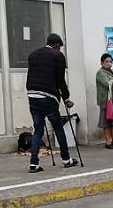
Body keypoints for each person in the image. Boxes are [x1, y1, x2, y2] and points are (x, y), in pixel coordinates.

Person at [26, 33, 78, 172]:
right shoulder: (57, 56)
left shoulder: (33, 54)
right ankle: (66, 159)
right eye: (59, 46)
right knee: (58, 127)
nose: (59, 49)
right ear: (56, 44)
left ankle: (34, 163)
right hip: (48, 97)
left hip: (32, 95)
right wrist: (66, 98)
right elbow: (60, 80)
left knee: (38, 129)